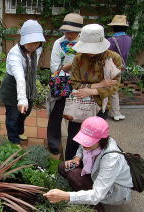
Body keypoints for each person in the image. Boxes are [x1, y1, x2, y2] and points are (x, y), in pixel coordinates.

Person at [43, 116, 133, 211]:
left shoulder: (111, 159)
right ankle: (81, 190)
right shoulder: (95, 144)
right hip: (95, 170)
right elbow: (82, 147)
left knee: (75, 176)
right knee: (64, 167)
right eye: (84, 139)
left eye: (89, 141)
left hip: (113, 190)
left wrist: (66, 196)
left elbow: (97, 195)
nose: (85, 144)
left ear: (101, 140)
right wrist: (77, 158)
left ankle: (97, 209)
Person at [64, 24, 122, 160]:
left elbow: (114, 86)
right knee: (74, 137)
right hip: (79, 106)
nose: (89, 52)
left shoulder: (113, 59)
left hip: (100, 106)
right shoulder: (78, 58)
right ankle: (69, 168)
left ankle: (91, 170)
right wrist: (99, 85)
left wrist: (91, 91)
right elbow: (75, 83)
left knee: (95, 141)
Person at [0, 20, 45, 144]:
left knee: (25, 112)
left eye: (36, 41)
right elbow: (19, 77)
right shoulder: (15, 54)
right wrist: (22, 99)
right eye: (29, 41)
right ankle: (13, 141)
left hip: (28, 85)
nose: (32, 45)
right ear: (22, 38)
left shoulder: (38, 49)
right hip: (13, 87)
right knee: (13, 116)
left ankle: (19, 131)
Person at [47, 13, 83, 154]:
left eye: (71, 31)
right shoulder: (58, 43)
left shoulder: (84, 45)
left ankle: (73, 148)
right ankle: (54, 144)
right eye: (66, 31)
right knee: (56, 114)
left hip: (79, 86)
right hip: (61, 84)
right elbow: (54, 66)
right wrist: (68, 70)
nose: (68, 34)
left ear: (79, 31)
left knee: (76, 119)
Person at [107, 15, 132, 121]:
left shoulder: (110, 40)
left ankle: (115, 113)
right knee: (114, 88)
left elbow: (105, 55)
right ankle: (113, 112)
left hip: (110, 68)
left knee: (111, 89)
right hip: (120, 67)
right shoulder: (129, 39)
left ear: (114, 27)